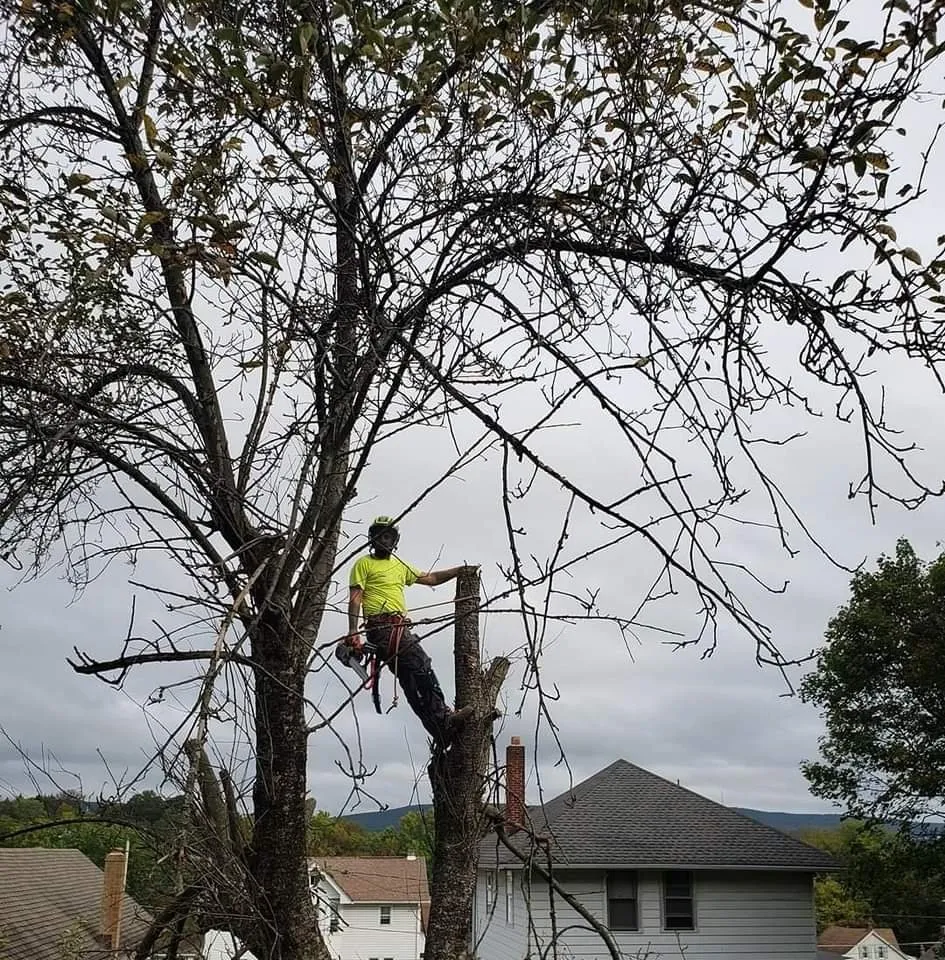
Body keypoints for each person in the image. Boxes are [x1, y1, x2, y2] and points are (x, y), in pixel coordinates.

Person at [342, 515, 475, 742]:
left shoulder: (399, 565)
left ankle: (440, 731)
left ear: (395, 539)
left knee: (410, 681)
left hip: (397, 627)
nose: (385, 541)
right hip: (382, 627)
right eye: (381, 536)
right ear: (372, 539)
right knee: (421, 664)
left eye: (389, 536)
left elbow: (430, 578)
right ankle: (444, 718)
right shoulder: (363, 564)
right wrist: (353, 630)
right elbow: (355, 598)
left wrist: (458, 571)